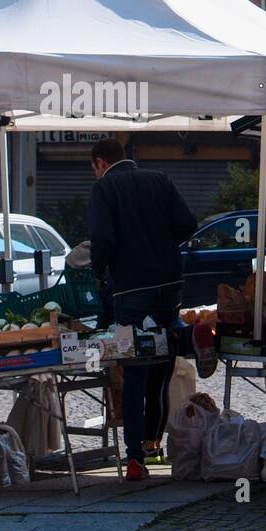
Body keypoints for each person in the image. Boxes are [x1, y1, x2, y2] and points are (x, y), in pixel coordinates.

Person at [87, 138, 215, 482]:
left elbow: (102, 237)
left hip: (130, 287)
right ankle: (193, 337)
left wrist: (101, 271)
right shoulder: (160, 179)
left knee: (135, 368)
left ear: (100, 163)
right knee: (166, 342)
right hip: (170, 281)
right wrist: (160, 244)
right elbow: (188, 223)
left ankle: (135, 459)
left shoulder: (104, 188)